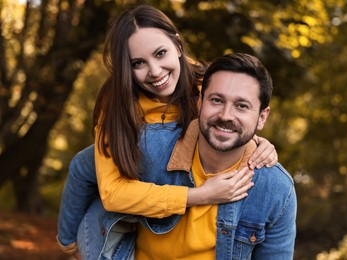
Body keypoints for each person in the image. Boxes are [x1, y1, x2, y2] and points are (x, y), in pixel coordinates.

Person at [57, 5, 278, 258]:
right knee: (83, 164)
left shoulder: (203, 83)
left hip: (165, 174)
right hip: (130, 167)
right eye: (138, 63)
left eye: (161, 53)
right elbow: (113, 193)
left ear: (178, 46)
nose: (155, 71)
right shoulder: (116, 104)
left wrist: (259, 142)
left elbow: (229, 119)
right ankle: (65, 241)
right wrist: (199, 195)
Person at [77, 53, 297, 259]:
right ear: (200, 102)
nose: (225, 115)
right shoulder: (148, 148)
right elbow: (90, 179)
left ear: (261, 117)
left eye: (241, 106)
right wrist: (73, 240)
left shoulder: (276, 190)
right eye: (217, 100)